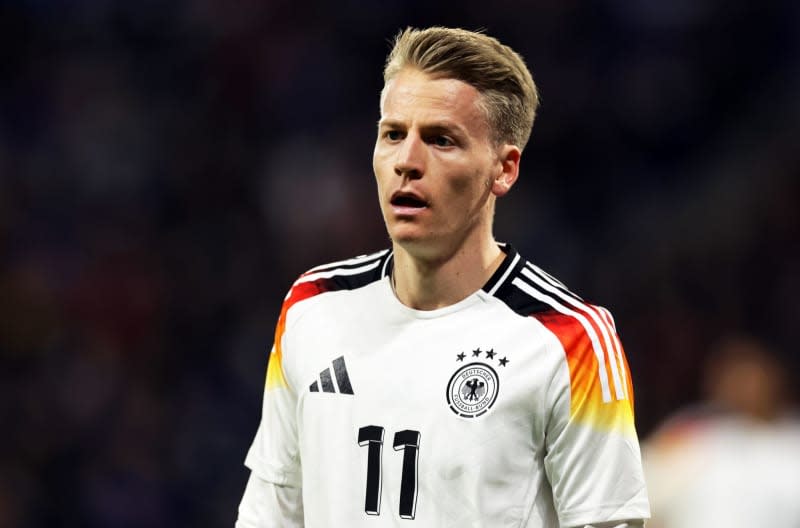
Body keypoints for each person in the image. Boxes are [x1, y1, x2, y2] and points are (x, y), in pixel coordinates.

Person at [236, 26, 650, 527]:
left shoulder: (568, 340)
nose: (407, 162)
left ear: (504, 170)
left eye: (440, 140)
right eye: (393, 134)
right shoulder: (313, 305)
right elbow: (271, 513)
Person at [642, 335, 800, 528]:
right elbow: (644, 492)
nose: (744, 387)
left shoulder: (792, 438)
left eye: (751, 376)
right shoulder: (692, 430)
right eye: (734, 375)